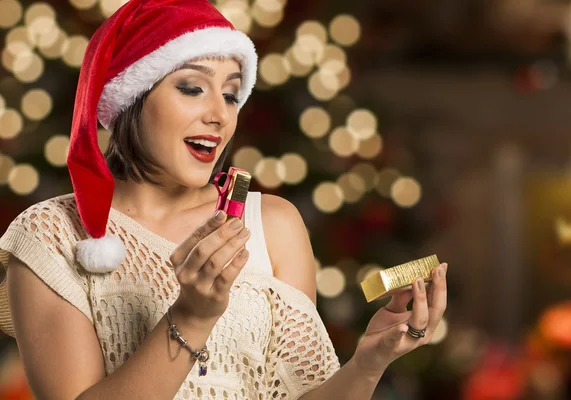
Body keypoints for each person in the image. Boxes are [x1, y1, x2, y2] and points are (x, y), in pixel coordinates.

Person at [0, 0, 448, 399]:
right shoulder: (52, 234)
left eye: (231, 93)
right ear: (130, 98)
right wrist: (191, 318)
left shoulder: (274, 224)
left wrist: (367, 363)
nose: (218, 115)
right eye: (192, 88)